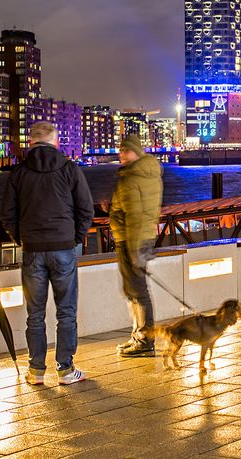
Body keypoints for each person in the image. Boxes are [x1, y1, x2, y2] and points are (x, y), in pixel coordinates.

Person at [1, 121, 94, 385]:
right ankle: (65, 369)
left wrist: (20, 237)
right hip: (63, 247)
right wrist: (74, 237)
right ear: (56, 143)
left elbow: (7, 213)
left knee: (35, 314)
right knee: (66, 311)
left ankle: (36, 370)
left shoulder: (19, 172)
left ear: (30, 143)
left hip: (32, 250)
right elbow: (85, 209)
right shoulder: (69, 169)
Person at [111, 134, 163, 357]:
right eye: (120, 150)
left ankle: (144, 339)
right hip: (138, 238)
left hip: (131, 240)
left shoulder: (132, 178)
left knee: (137, 291)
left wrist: (133, 249)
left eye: (126, 150)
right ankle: (138, 335)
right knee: (133, 290)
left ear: (136, 151)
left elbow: (134, 215)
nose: (121, 155)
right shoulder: (145, 174)